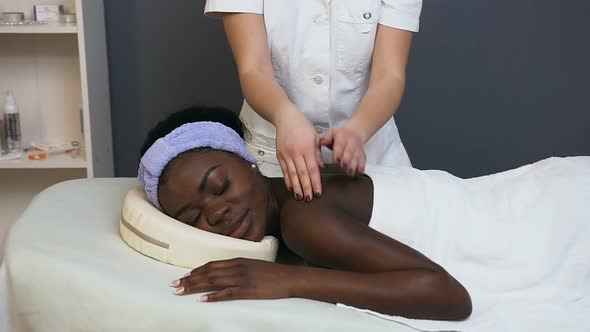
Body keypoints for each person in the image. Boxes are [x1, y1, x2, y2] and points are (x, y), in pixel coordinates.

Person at [138, 106, 590, 324]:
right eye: (192, 216)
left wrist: (287, 282)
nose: (216, 212)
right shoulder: (295, 205)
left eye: (219, 185)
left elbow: (451, 297)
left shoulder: (303, 216)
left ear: (250, 160)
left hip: (551, 223)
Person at [203, 0, 422, 202]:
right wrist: (285, 116)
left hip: (372, 162)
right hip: (271, 163)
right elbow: (254, 68)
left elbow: (389, 76)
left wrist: (358, 130)